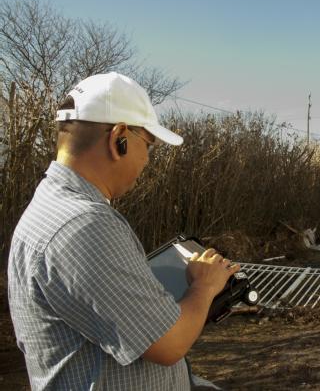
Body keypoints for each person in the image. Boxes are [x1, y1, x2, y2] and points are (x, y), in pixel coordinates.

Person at [7, 72, 239, 390]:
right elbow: (169, 344)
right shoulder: (85, 226)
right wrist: (204, 286)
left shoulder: (50, 205)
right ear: (119, 139)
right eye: (148, 145)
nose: (146, 160)